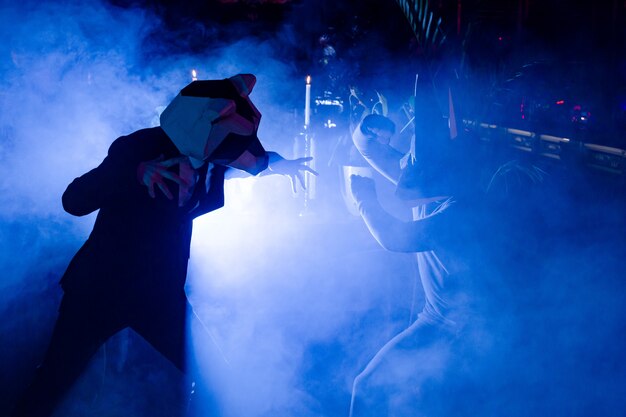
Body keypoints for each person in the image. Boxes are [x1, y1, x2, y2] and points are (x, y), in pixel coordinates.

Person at [11, 74, 316, 417]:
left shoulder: (214, 157)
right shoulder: (139, 146)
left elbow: (250, 159)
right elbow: (74, 200)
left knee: (210, 374)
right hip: (99, 291)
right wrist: (134, 174)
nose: (240, 151)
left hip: (159, 295)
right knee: (54, 383)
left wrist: (279, 165)